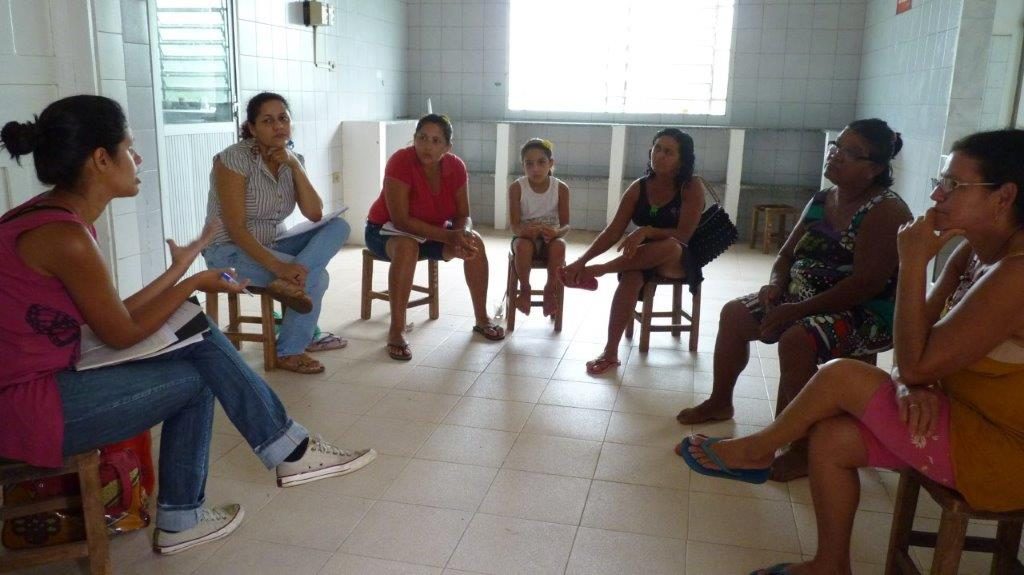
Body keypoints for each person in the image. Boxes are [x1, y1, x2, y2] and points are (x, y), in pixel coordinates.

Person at [0, 95, 376, 556]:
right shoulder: (67, 236)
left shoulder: (53, 218)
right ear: (101, 160)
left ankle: (217, 496)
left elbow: (108, 316)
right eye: (129, 148)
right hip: (25, 407)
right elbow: (117, 332)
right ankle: (275, 461)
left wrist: (179, 270)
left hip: (43, 381)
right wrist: (196, 278)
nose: (137, 159)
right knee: (199, 361)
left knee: (196, 343)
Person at [678, 129, 1024, 575]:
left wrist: (914, 261)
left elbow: (909, 348)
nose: (937, 193)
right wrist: (909, 383)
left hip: (1003, 453)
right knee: (832, 438)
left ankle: (757, 450)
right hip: (959, 414)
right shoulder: (972, 256)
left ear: (1004, 197)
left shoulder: (1015, 275)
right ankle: (830, 563)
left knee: (842, 373)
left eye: (955, 185)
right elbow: (914, 355)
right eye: (942, 179)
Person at [676, 119, 912, 482]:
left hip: (863, 312)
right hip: (802, 298)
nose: (835, 156)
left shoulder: (885, 210)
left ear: (875, 169)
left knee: (798, 338)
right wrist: (775, 286)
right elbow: (786, 255)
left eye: (850, 152)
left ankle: (798, 448)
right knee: (736, 313)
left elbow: (866, 284)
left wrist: (797, 310)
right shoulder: (822, 199)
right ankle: (720, 400)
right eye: (837, 146)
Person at [203, 92, 349, 375]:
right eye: (267, 121)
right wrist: (280, 267)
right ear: (253, 128)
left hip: (273, 242)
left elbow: (315, 213)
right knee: (317, 278)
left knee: (339, 226)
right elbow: (236, 228)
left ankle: (292, 283)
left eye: (283, 118)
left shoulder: (294, 159)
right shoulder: (234, 159)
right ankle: (289, 352)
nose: (278, 126)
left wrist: (294, 165)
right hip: (228, 250)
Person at [559, 128, 705, 375]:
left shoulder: (691, 187)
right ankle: (610, 352)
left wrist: (647, 231)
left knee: (669, 245)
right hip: (641, 258)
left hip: (679, 258)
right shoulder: (639, 187)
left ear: (682, 160)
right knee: (630, 276)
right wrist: (581, 260)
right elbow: (613, 231)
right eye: (657, 149)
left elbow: (683, 236)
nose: (659, 156)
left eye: (668, 152)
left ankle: (601, 270)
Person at [364, 113, 504, 361]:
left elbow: (463, 215)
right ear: (414, 139)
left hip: (433, 232)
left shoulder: (456, 167)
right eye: (422, 138)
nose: (427, 145)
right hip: (385, 231)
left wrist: (464, 233)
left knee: (476, 244)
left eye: (436, 140)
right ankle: (396, 330)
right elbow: (401, 220)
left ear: (448, 147)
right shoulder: (400, 161)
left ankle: (482, 319)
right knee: (408, 248)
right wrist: (449, 236)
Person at [508, 138, 570, 317]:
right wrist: (526, 232)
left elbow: (566, 225)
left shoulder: (561, 188)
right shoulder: (517, 187)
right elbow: (514, 226)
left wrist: (556, 232)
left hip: (550, 240)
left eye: (541, 162)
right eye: (529, 164)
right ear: (523, 166)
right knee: (523, 246)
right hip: (525, 240)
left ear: (551, 163)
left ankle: (550, 290)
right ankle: (525, 288)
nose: (535, 168)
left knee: (560, 245)